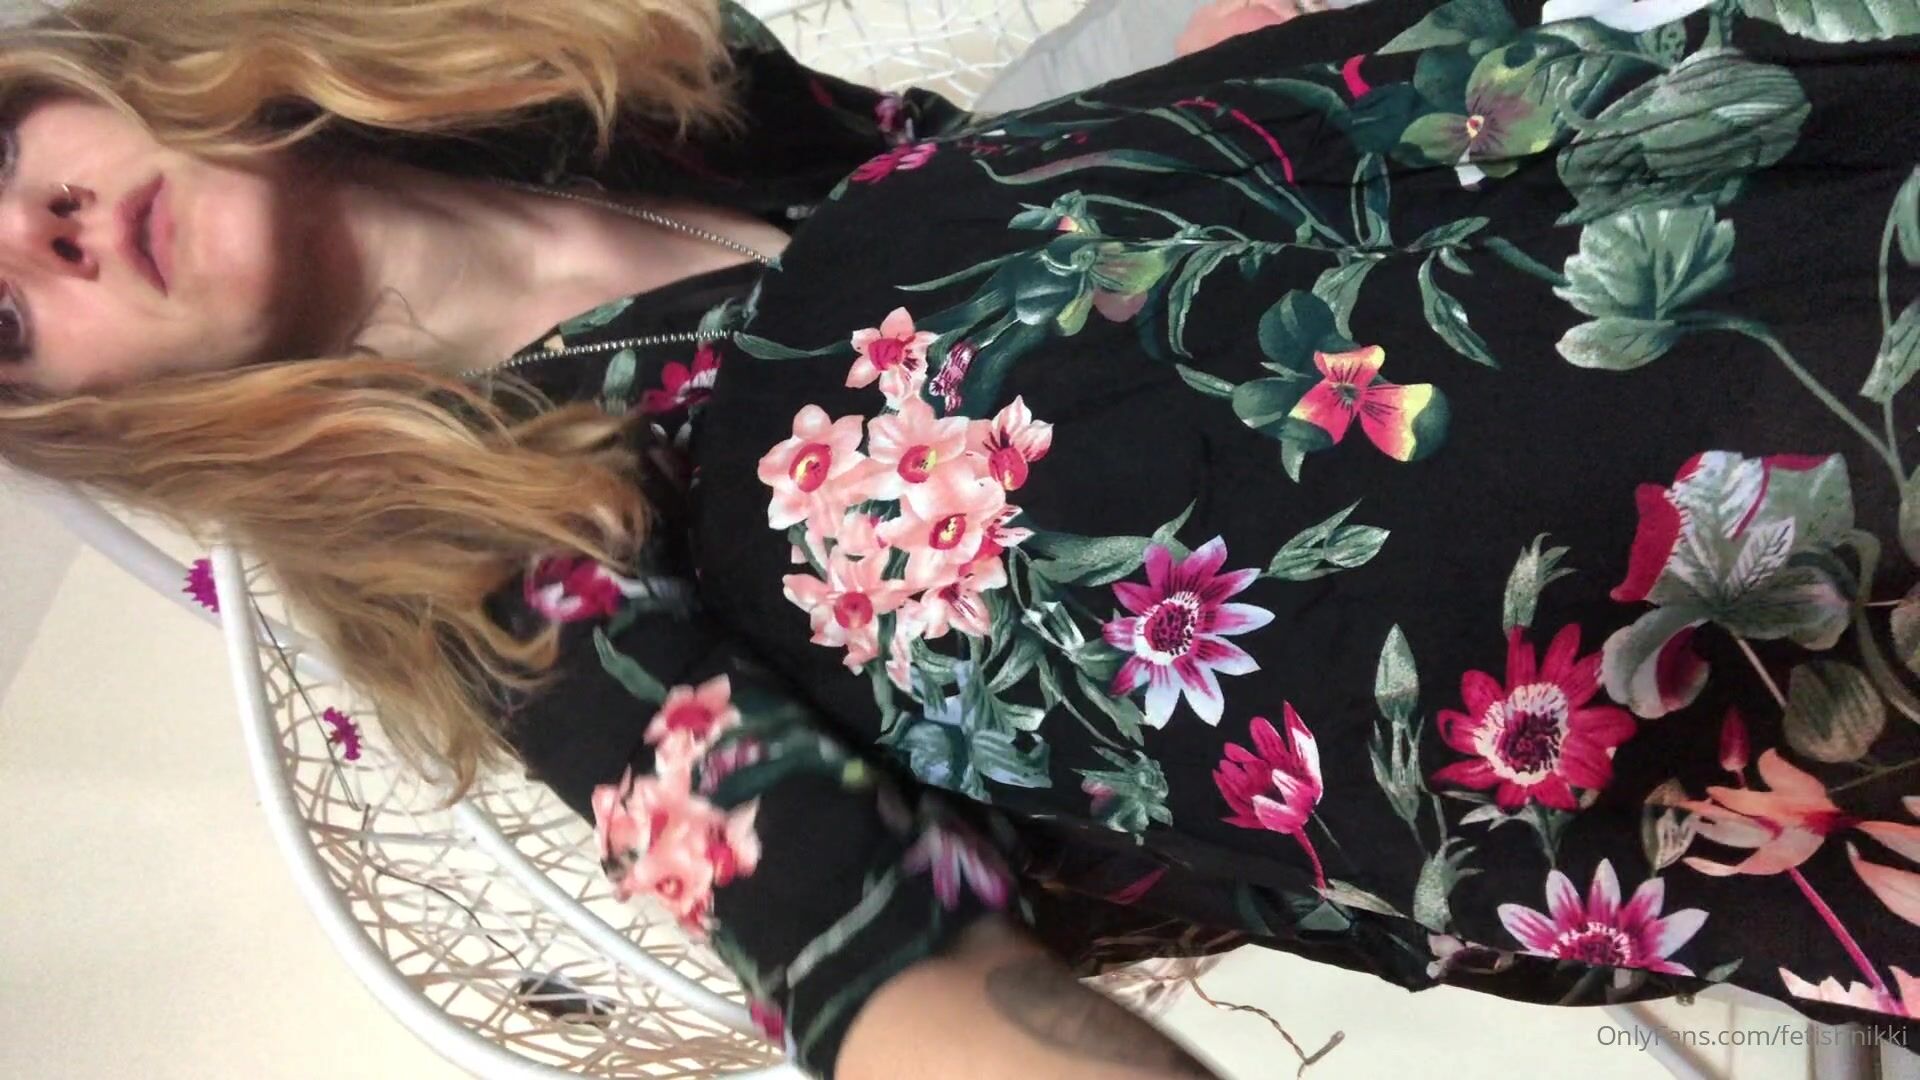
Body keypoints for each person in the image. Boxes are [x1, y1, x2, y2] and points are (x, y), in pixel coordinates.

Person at [2, 0, 1915, 1077]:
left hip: (1717, 207)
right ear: (80, 414)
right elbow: (865, 962)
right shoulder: (491, 573)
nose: (40, 233)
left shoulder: (626, 89)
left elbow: (1005, 195)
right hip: (1721, 656)